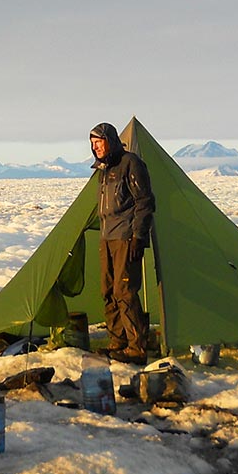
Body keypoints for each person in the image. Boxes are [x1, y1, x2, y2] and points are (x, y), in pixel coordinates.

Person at [91, 122, 155, 365]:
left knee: (125, 291)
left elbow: (145, 202)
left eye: (99, 142)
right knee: (108, 291)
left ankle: (136, 347)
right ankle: (117, 341)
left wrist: (139, 236)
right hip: (107, 237)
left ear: (110, 140)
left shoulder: (131, 163)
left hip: (125, 237)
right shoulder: (104, 169)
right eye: (93, 144)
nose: (96, 148)